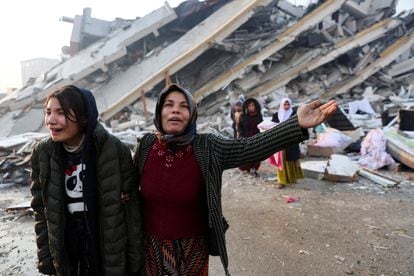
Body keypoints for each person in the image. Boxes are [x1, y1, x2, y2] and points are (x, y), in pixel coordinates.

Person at [133, 83, 337, 276]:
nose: (175, 110)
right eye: (169, 105)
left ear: (192, 114)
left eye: (183, 106)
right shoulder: (146, 145)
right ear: (159, 112)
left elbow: (250, 147)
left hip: (192, 248)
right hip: (150, 247)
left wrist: (295, 124)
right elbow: (129, 183)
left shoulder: (208, 146)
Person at [30, 85, 143, 275]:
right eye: (48, 112)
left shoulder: (113, 150)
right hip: (68, 252)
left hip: (104, 250)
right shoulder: (43, 153)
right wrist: (46, 258)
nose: (50, 120)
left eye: (61, 113)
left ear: (84, 116)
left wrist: (135, 262)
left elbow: (132, 214)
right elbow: (41, 210)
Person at [271, 97, 304, 189]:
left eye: (288, 104)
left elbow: (298, 126)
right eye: (284, 104)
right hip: (279, 142)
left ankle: (291, 178)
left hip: (291, 141)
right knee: (281, 161)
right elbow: (271, 127)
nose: (286, 106)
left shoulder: (294, 115)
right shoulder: (276, 115)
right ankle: (281, 181)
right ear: (281, 105)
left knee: (290, 160)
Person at [238, 97, 263, 176]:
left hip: (256, 137)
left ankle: (254, 168)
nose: (251, 107)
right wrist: (241, 137)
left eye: (253, 105)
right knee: (246, 153)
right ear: (246, 107)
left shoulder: (259, 115)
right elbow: (239, 127)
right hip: (246, 137)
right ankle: (245, 168)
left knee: (256, 153)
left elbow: (261, 126)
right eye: (249, 106)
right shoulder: (243, 116)